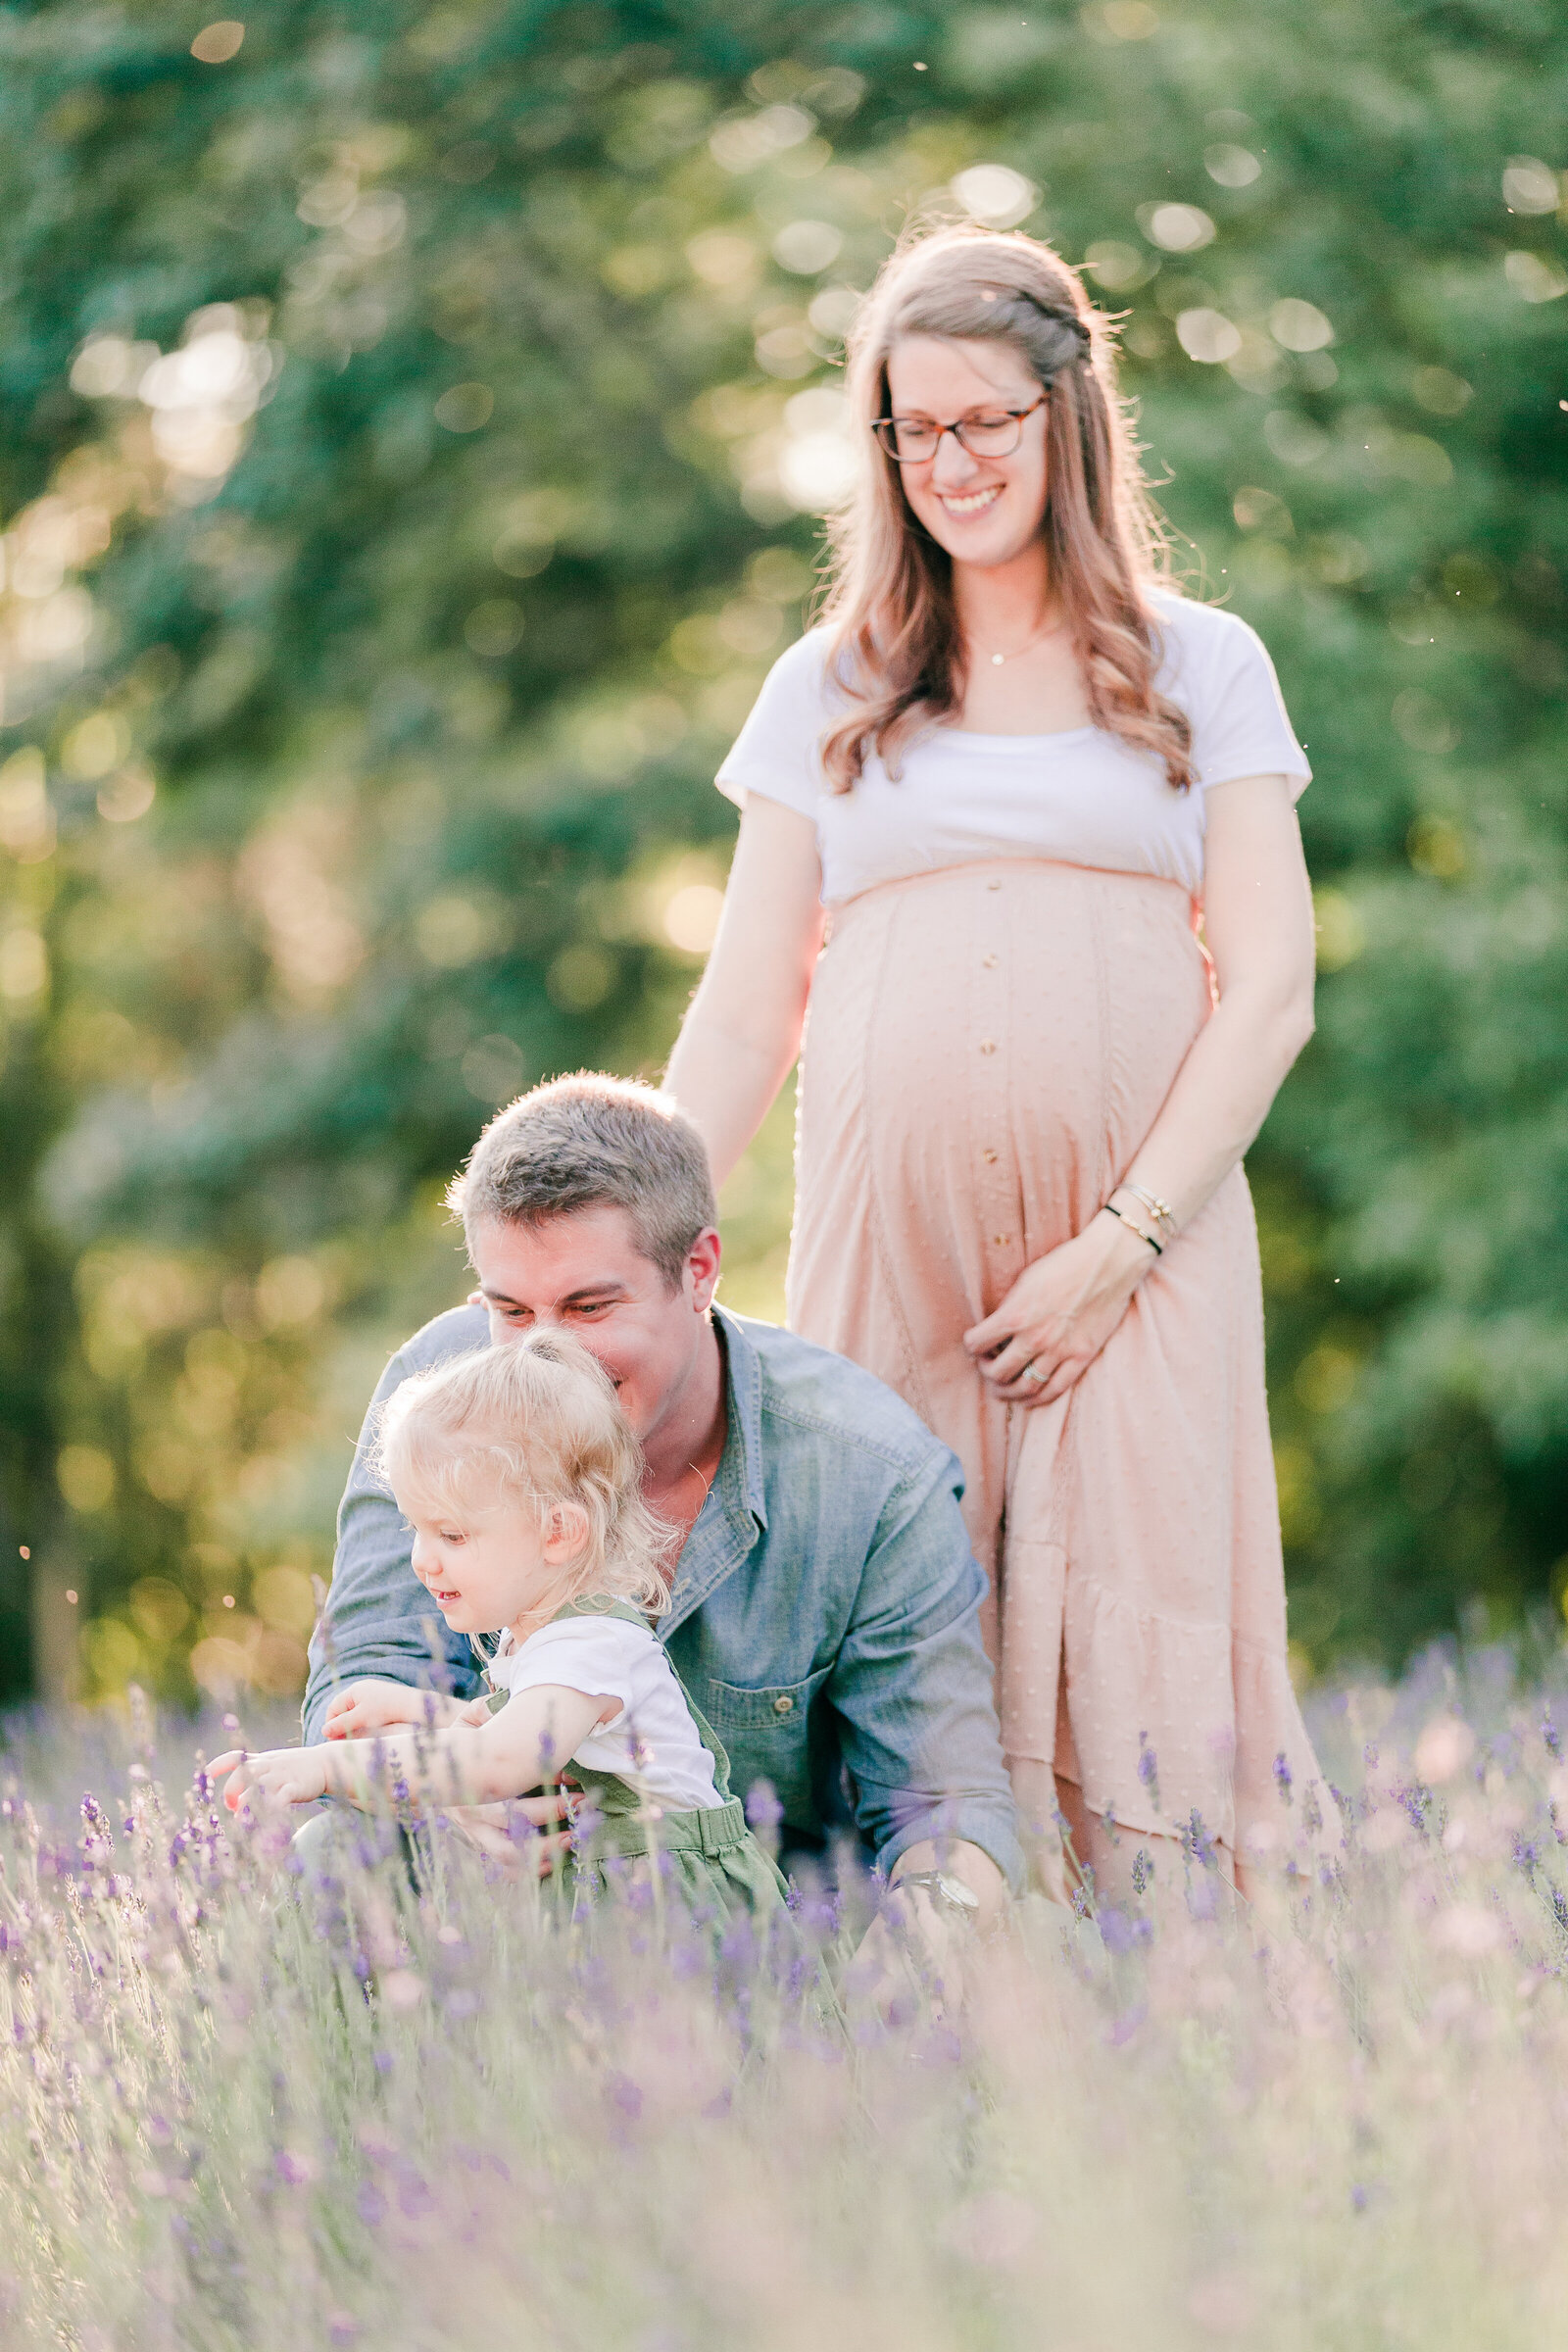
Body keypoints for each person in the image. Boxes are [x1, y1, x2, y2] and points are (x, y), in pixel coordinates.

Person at [663, 220, 1327, 1905]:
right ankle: (932, 2050)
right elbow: (748, 1013)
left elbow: (1269, 994)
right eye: (913, 428)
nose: (949, 462)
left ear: (1067, 418)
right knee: (905, 1619)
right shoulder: (829, 686)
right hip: (896, 1257)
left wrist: (1123, 1245)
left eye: (986, 423)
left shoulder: (1201, 665)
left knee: (1142, 1615)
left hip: (1144, 1260)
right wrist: (648, 1247)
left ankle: (1169, 2039)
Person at [300, 1072, 1023, 1965]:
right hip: (492, 1925)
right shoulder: (439, 1393)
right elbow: (364, 1668)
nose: (544, 1352)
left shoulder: (871, 1472)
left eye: (589, 1307)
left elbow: (945, 1806)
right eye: (510, 1309)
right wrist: (459, 1793)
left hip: (757, 1941)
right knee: (327, 1854)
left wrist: (918, 1952)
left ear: (699, 1271)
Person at [213, 1334, 788, 1926]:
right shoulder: (542, 1637)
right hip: (627, 1903)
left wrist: (328, 1768)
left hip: (686, 1920)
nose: (421, 1559)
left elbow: (502, 1758)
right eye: (416, 1528)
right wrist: (422, 1710)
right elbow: (513, 1726)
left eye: (452, 1535)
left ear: (558, 1532)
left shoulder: (590, 1644)